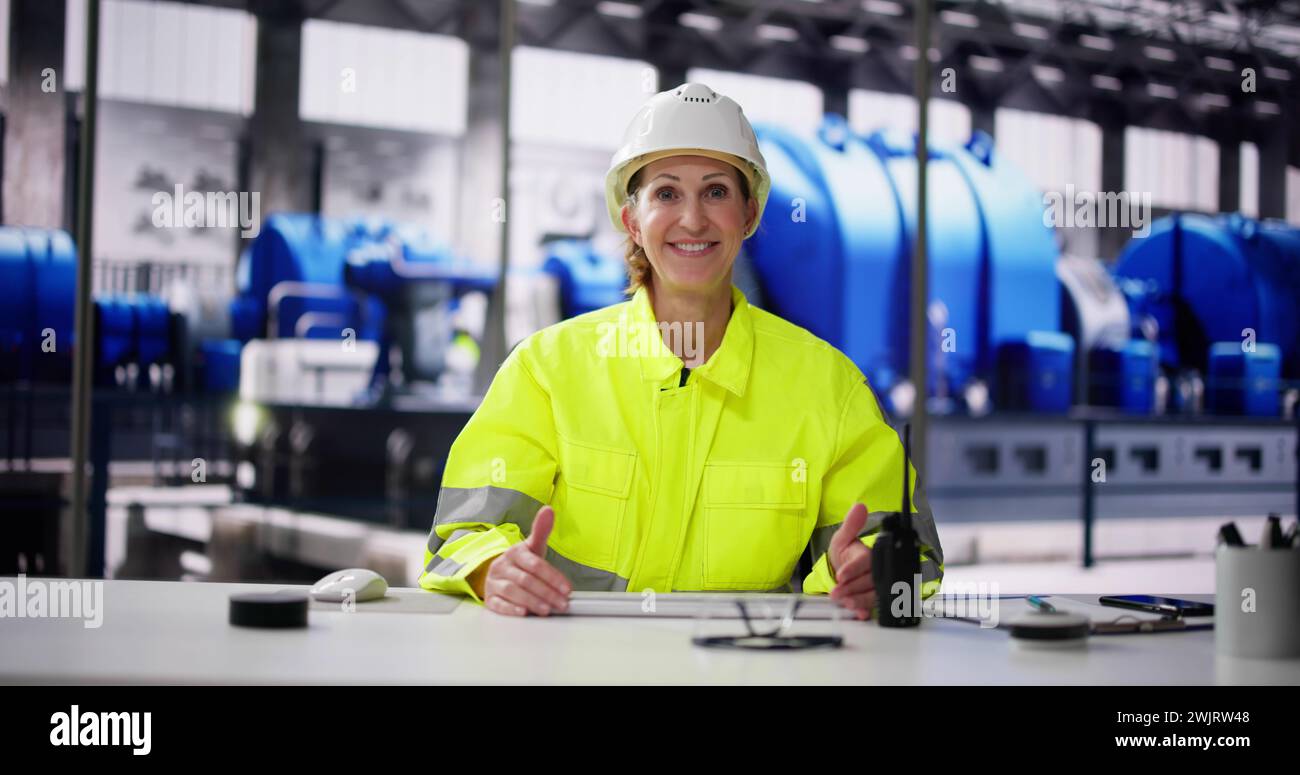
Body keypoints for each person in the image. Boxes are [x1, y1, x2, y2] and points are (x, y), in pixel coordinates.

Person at [418, 82, 942, 618]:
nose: (692, 219)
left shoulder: (828, 388)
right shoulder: (547, 371)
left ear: (750, 216)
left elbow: (906, 548)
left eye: (716, 191)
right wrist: (493, 569)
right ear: (632, 220)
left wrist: (872, 572)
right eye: (666, 194)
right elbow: (462, 532)